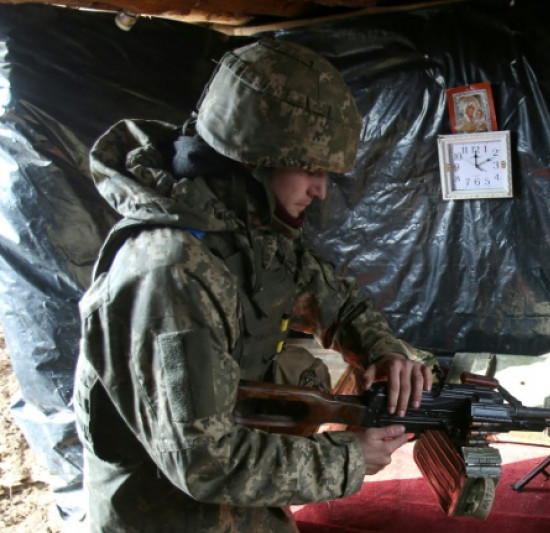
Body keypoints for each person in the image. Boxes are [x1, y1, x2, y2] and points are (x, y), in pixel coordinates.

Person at [73, 39, 433, 532]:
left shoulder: (248, 227)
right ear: (253, 160)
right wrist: (349, 457)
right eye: (310, 169)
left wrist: (382, 350)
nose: (320, 190)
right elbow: (205, 461)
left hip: (247, 507)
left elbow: (333, 299)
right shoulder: (170, 271)